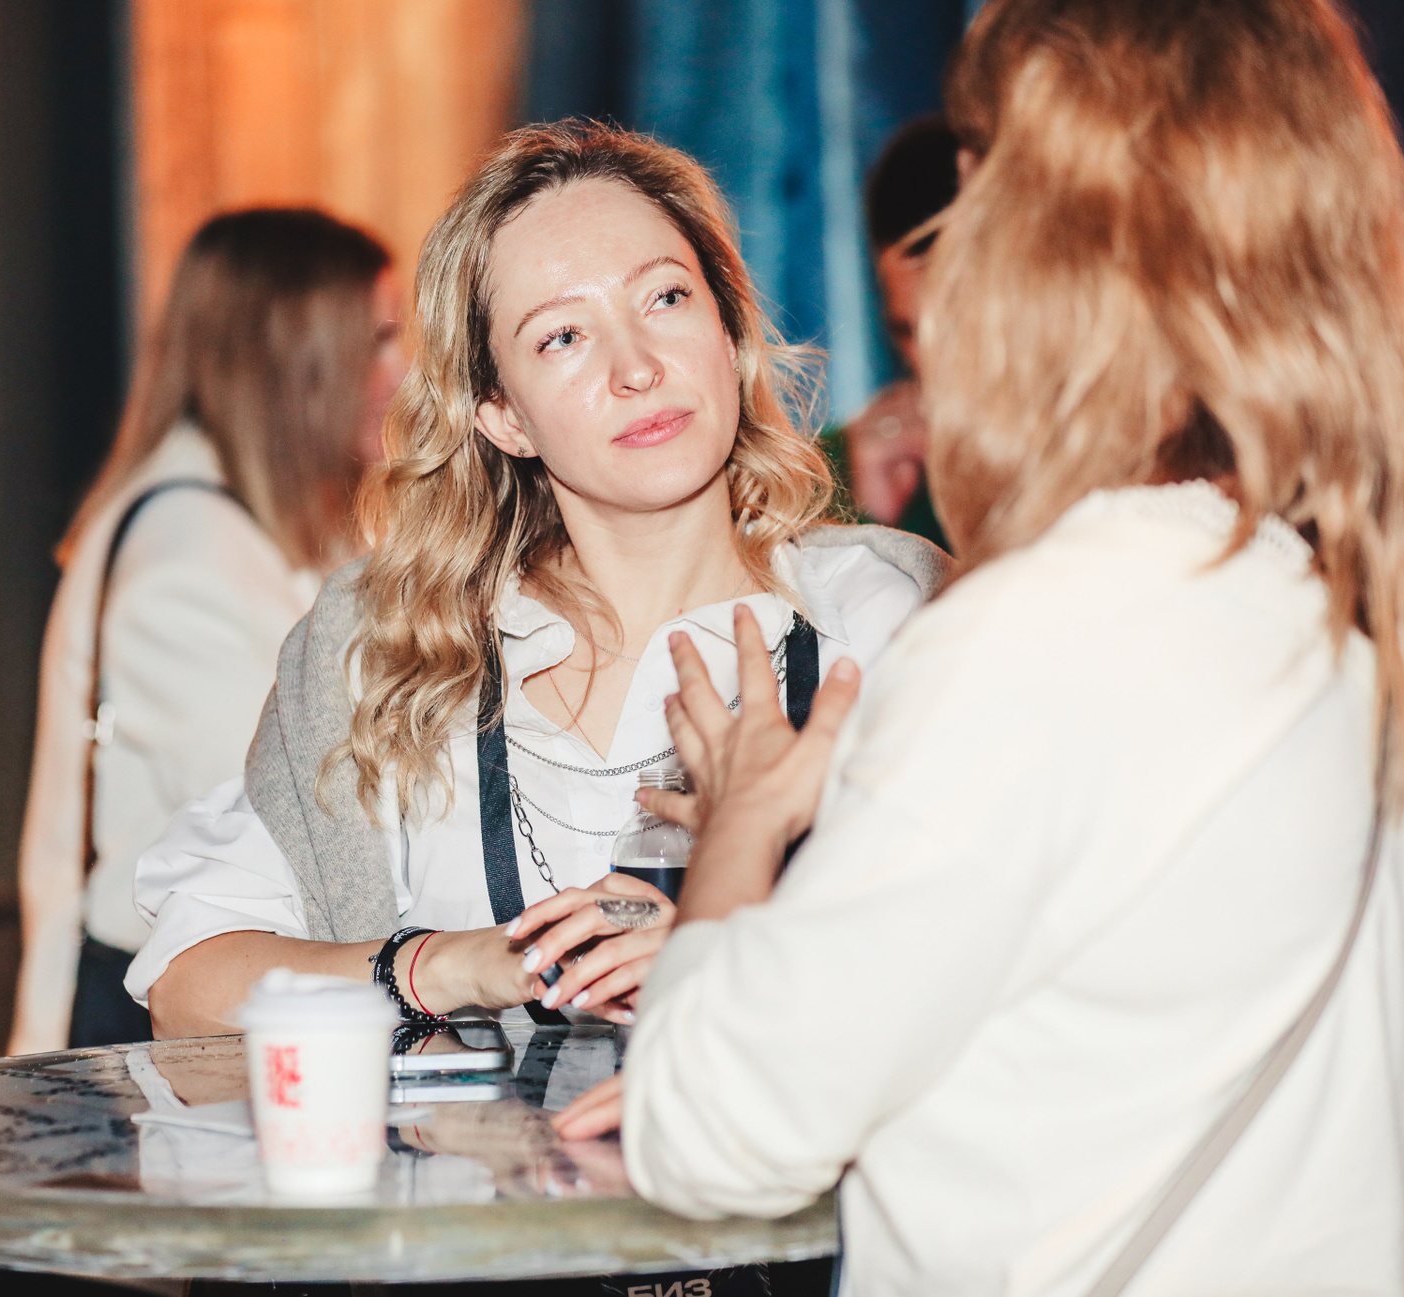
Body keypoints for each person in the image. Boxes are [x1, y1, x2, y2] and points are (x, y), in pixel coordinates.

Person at [557, 1, 1404, 1293]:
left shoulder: (1052, 635)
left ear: (1054, 255)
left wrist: (738, 823)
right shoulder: (1392, 615)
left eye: (977, 199)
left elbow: (711, 1132)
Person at [124, 121, 943, 1045]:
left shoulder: (892, 616)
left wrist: (739, 953)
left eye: (666, 297)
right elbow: (187, 985)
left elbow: (998, 956)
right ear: (501, 413)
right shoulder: (388, 648)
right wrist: (455, 964)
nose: (637, 367)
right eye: (562, 337)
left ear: (728, 330)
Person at [9, 209, 404, 1055]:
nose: (403, 370)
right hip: (159, 1028)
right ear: (290, 359)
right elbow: (306, 827)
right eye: (378, 338)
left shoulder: (278, 526)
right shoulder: (183, 559)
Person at [817, 115, 960, 549]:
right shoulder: (818, 476)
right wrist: (867, 520)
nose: (930, 364)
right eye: (907, 332)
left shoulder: (1108, 463)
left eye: (956, 327)